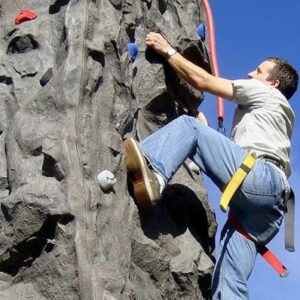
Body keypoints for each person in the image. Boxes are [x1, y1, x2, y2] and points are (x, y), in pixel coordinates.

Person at [123, 32, 298, 299]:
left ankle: (153, 174)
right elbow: (239, 154)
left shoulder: (266, 93)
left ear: (272, 83)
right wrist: (209, 136)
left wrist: (168, 50)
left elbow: (202, 81)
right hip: (270, 210)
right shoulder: (273, 115)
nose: (251, 74)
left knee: (188, 127)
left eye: (259, 71)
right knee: (229, 280)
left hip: (259, 180)